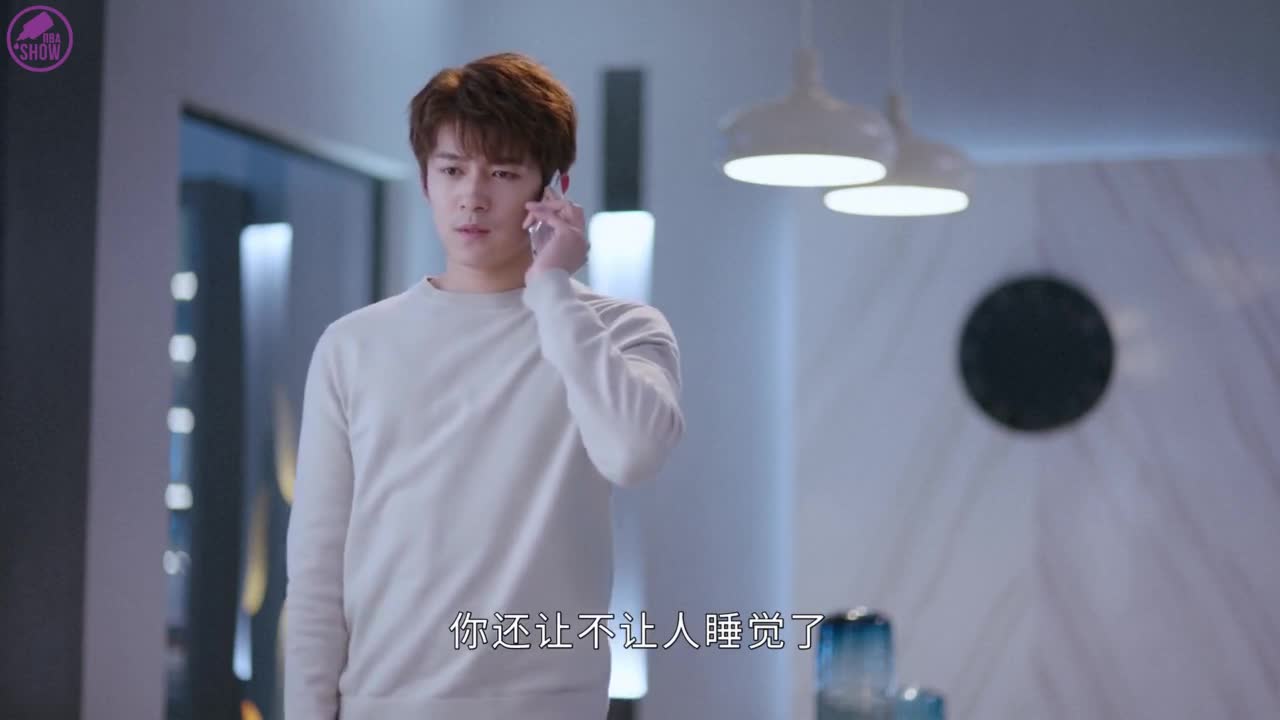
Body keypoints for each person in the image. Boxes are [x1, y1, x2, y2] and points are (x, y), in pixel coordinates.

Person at [283, 52, 685, 719]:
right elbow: (317, 573)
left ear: (553, 187)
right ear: (425, 180)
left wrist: (552, 290)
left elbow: (633, 454)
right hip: (384, 703)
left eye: (502, 173)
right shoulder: (353, 345)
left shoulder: (619, 331)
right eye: (451, 170)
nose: (472, 196)